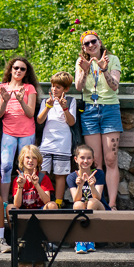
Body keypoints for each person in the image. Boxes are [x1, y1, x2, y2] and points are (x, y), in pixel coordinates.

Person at [74, 30, 122, 211]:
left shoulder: (112, 59)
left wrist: (103, 69)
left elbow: (114, 86)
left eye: (93, 41)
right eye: (86, 44)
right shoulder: (81, 62)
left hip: (109, 108)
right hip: (89, 110)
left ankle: (112, 204)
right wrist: (85, 70)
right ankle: (98, 201)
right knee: (96, 161)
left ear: (100, 42)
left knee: (111, 159)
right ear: (83, 48)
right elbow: (79, 86)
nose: (90, 45)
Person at [0, 56, 40, 204]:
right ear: (10, 69)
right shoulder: (2, 87)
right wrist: (6, 100)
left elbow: (31, 113)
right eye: (16, 68)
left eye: (22, 69)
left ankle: (24, 200)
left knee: (25, 167)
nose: (19, 71)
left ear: (26, 72)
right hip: (9, 131)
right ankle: (3, 202)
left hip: (27, 132)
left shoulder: (29, 88)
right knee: (6, 166)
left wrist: (21, 100)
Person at [37, 71, 77, 208]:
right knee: (42, 171)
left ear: (65, 89)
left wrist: (64, 107)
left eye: (58, 87)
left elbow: (71, 122)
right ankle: (42, 199)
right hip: (47, 142)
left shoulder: (71, 101)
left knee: (60, 174)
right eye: (53, 86)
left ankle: (58, 202)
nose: (54, 89)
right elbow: (40, 120)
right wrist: (48, 106)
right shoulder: (45, 101)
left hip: (63, 143)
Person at [66, 144, 106, 253]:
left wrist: (92, 185)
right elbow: (76, 199)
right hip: (82, 208)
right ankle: (80, 240)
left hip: (99, 208)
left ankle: (90, 238)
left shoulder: (99, 174)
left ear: (93, 160)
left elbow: (98, 198)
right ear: (76, 159)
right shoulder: (72, 177)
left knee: (92, 202)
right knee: (78, 204)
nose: (85, 161)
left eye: (89, 158)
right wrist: (80, 186)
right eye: (82, 158)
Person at [6, 145, 58, 223]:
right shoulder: (18, 179)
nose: (31, 160)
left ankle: (50, 233)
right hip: (23, 211)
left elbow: (47, 201)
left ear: (38, 161)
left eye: (34, 158)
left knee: (52, 205)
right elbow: (17, 204)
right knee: (10, 207)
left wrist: (36, 184)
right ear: (22, 160)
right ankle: (16, 234)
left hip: (40, 211)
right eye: (28, 157)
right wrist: (20, 187)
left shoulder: (43, 178)